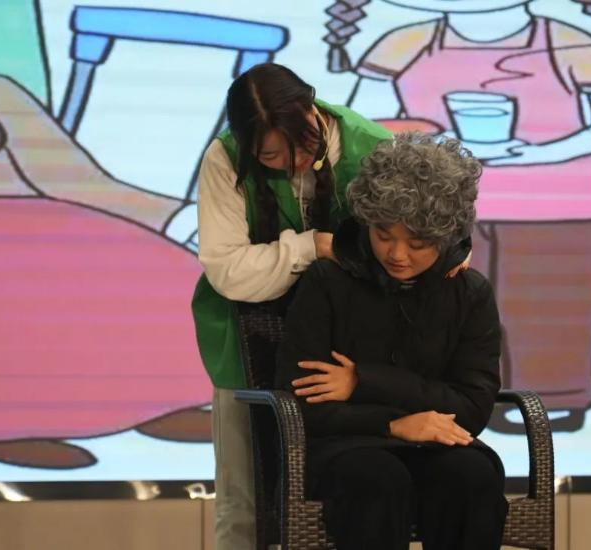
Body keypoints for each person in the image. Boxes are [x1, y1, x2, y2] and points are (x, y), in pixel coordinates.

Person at [323, 0, 591, 430]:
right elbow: (369, 128)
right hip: (423, 220)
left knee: (551, 319)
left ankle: (554, 400)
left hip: (564, 211)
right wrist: (434, 139)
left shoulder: (569, 42)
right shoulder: (404, 44)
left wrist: (538, 152)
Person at [191, 62, 393, 550]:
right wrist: (313, 247)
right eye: (271, 156)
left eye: (303, 144)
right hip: (246, 344)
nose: (295, 162)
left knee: (359, 488)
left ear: (311, 108)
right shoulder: (224, 158)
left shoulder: (374, 149)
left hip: (353, 351)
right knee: (245, 502)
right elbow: (229, 271)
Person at [275, 132, 508, 549]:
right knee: (377, 480)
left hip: (436, 445)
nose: (397, 255)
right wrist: (392, 425)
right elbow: (303, 405)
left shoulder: (470, 293)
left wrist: (362, 382)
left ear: (445, 236)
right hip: (344, 448)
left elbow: (472, 410)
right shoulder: (327, 282)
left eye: (418, 244)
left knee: (472, 476)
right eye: (383, 235)